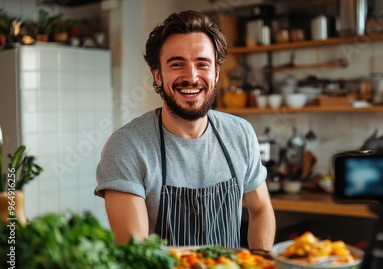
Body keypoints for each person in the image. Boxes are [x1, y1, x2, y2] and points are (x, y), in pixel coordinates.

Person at [94, 10, 276, 251]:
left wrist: (259, 265)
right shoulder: (128, 147)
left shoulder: (240, 134)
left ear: (216, 73)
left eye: (202, 64)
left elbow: (261, 208)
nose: (191, 77)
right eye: (177, 64)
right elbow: (135, 251)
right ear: (158, 75)